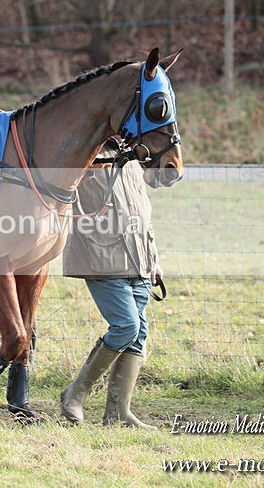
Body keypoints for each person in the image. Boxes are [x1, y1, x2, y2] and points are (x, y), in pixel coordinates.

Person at [59, 138, 162, 429]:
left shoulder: (131, 152)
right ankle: (75, 393)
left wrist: (154, 258)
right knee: (126, 326)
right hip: (99, 255)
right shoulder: (85, 147)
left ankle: (118, 413)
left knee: (139, 333)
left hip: (139, 257)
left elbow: (142, 209)